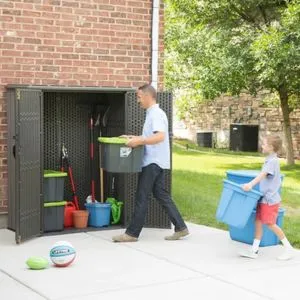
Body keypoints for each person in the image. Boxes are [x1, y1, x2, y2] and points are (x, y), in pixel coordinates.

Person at [112, 84, 189, 242]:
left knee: (142, 196)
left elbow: (160, 136)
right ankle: (181, 227)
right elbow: (150, 136)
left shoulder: (156, 114)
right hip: (156, 161)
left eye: (139, 97)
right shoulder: (152, 114)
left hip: (153, 162)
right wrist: (133, 138)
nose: (138, 100)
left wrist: (140, 140)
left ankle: (132, 234)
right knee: (161, 194)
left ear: (148, 96)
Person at [239, 135, 293, 260]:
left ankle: (288, 248)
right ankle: (254, 250)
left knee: (270, 223)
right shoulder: (269, 160)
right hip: (264, 199)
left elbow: (262, 175)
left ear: (271, 147)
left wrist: (250, 185)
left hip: (270, 200)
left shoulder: (273, 162)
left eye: (264, 144)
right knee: (258, 222)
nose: (262, 146)